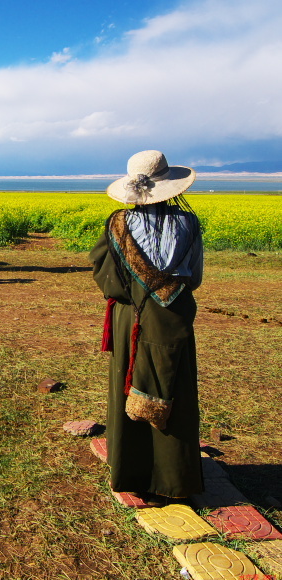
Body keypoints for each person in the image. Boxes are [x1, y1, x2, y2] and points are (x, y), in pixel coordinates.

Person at [89, 150, 204, 506]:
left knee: (129, 385)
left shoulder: (118, 223)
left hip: (132, 319)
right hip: (173, 316)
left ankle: (133, 475)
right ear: (170, 185)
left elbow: (110, 283)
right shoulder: (190, 223)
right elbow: (195, 278)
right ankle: (175, 479)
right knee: (175, 390)